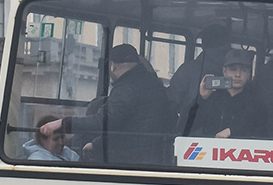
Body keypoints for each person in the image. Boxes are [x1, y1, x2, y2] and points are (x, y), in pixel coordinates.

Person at [40, 44, 176, 165]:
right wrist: (96, 145)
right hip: (156, 157)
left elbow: (104, 121)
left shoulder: (126, 87)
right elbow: (127, 126)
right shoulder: (154, 84)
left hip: (132, 162)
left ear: (112, 65)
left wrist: (62, 123)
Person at [186, 49, 268, 139]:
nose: (238, 74)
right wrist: (202, 99)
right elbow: (185, 127)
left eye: (243, 70)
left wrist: (232, 132)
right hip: (209, 150)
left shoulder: (256, 102)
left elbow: (262, 131)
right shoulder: (212, 98)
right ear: (224, 71)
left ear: (249, 73)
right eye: (233, 69)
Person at [168, 23, 230, 133]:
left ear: (203, 45)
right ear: (227, 44)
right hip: (227, 135)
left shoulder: (188, 70)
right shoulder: (236, 73)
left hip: (191, 132)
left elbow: (171, 104)